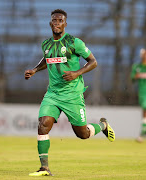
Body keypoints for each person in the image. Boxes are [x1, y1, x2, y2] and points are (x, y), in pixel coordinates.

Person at [24, 9, 115, 176]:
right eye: (54, 20)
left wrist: (76, 73)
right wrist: (35, 70)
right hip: (53, 94)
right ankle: (44, 168)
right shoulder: (46, 44)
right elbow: (47, 58)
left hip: (72, 94)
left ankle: (103, 125)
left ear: (65, 24)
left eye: (60, 20)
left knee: (82, 134)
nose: (57, 23)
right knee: (43, 125)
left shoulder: (74, 42)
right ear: (50, 23)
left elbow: (93, 62)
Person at [131, 48, 146, 143]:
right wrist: (140, 75)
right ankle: (143, 132)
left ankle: (142, 133)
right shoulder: (137, 66)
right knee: (145, 110)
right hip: (143, 93)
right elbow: (132, 78)